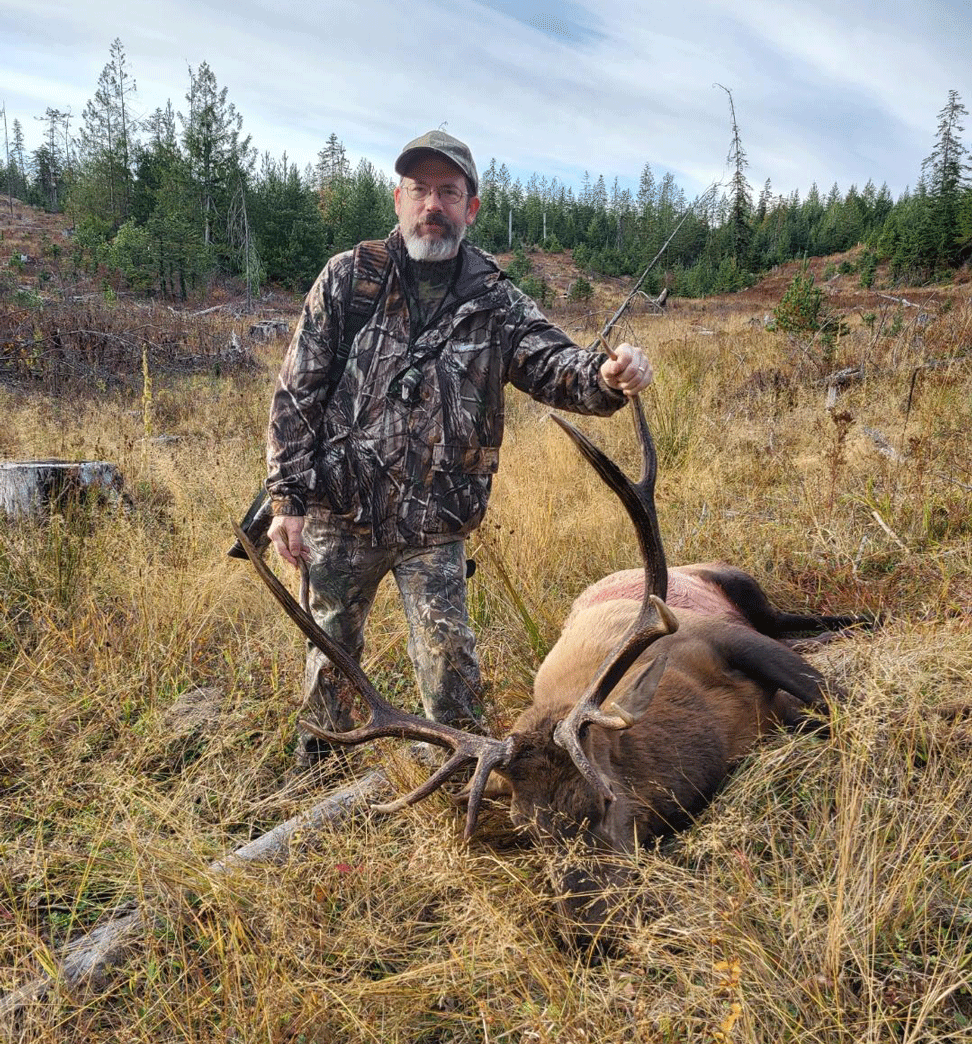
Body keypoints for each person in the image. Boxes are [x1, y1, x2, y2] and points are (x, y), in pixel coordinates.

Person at [266, 130, 653, 773]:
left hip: (435, 521)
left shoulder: (494, 301)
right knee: (329, 651)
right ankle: (317, 774)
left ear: (471, 209)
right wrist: (287, 500)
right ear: (397, 200)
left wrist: (606, 375)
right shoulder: (348, 279)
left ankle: (458, 785)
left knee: (451, 669)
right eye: (420, 190)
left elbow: (552, 361)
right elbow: (296, 392)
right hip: (341, 511)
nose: (432, 205)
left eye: (449, 192)